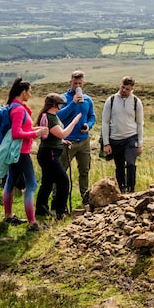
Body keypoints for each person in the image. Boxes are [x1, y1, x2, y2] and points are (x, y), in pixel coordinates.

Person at [1, 77, 49, 231]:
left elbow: (22, 129)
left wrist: (36, 130)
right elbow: (16, 133)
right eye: (29, 92)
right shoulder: (18, 109)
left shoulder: (14, 106)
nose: (30, 95)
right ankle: (32, 223)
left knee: (10, 182)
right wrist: (35, 134)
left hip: (16, 151)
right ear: (23, 92)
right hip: (21, 152)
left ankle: (8, 216)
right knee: (32, 184)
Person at [34, 93, 81, 220]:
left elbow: (53, 135)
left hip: (48, 152)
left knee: (47, 182)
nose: (61, 106)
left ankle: (41, 209)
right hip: (50, 154)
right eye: (60, 104)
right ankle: (60, 211)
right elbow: (62, 133)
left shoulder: (48, 116)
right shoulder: (51, 118)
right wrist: (74, 122)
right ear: (55, 105)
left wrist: (62, 142)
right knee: (63, 181)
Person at [58, 70, 96, 206]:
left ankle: (85, 199)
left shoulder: (88, 100)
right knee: (62, 172)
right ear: (70, 82)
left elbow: (92, 116)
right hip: (67, 141)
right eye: (75, 83)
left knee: (84, 171)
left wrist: (88, 125)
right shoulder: (62, 98)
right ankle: (57, 200)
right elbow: (59, 117)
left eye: (80, 83)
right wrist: (73, 103)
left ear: (83, 83)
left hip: (84, 141)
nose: (77, 85)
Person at [101, 76, 143, 193]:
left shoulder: (136, 102)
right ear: (120, 85)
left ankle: (131, 189)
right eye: (123, 87)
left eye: (127, 89)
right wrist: (106, 143)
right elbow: (105, 122)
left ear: (132, 89)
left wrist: (140, 143)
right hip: (115, 139)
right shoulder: (111, 100)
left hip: (131, 137)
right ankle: (122, 189)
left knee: (130, 163)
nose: (124, 91)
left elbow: (140, 123)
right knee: (119, 166)